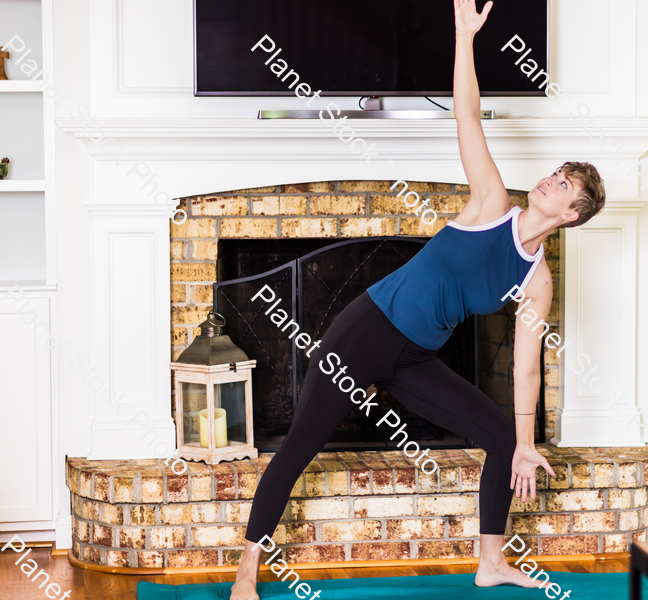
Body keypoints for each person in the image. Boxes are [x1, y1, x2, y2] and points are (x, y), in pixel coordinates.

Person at [229, 1, 605, 597]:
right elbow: (467, 118)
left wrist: (528, 442)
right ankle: (248, 568)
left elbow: (529, 364)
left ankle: (490, 562)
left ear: (570, 215)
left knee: (504, 437)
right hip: (365, 331)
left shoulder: (538, 279)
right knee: (300, 445)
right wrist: (464, 39)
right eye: (557, 172)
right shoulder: (489, 202)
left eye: (564, 185)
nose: (551, 180)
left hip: (415, 357)